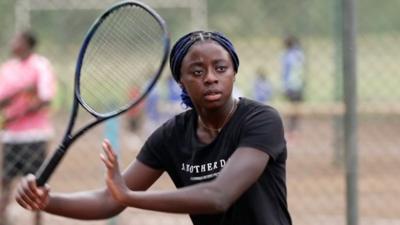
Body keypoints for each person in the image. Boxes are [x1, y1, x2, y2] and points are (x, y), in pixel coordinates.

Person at [15, 31, 292, 225]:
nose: (210, 78)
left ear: (234, 73)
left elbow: (219, 195)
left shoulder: (260, 119)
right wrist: (47, 200)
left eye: (221, 68)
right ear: (180, 82)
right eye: (197, 72)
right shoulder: (172, 136)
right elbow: (108, 200)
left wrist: (129, 196)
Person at [0, 31, 56, 225]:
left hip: (34, 135)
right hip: (11, 136)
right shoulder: (7, 68)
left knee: (36, 182)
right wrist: (21, 92)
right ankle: (3, 218)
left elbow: (44, 99)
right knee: (5, 180)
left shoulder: (40, 65)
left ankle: (38, 220)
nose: (13, 43)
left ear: (27, 44)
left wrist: (16, 114)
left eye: (17, 40)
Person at [281, 35, 305, 139]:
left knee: (292, 108)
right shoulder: (299, 54)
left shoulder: (286, 56)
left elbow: (285, 72)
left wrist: (284, 86)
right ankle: (293, 130)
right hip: (299, 84)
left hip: (291, 85)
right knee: (296, 108)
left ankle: (291, 131)